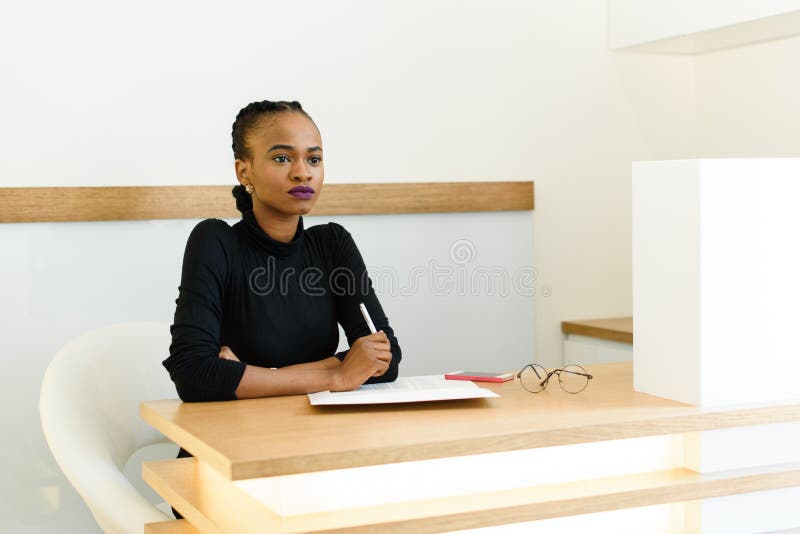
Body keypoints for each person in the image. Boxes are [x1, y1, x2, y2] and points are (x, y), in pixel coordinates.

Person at [162, 101, 402, 517]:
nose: (302, 172)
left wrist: (259, 377)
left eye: (314, 158)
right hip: (227, 467)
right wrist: (336, 373)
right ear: (244, 171)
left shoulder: (332, 244)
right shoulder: (215, 242)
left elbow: (386, 357)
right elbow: (194, 374)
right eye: (281, 158)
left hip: (314, 455)